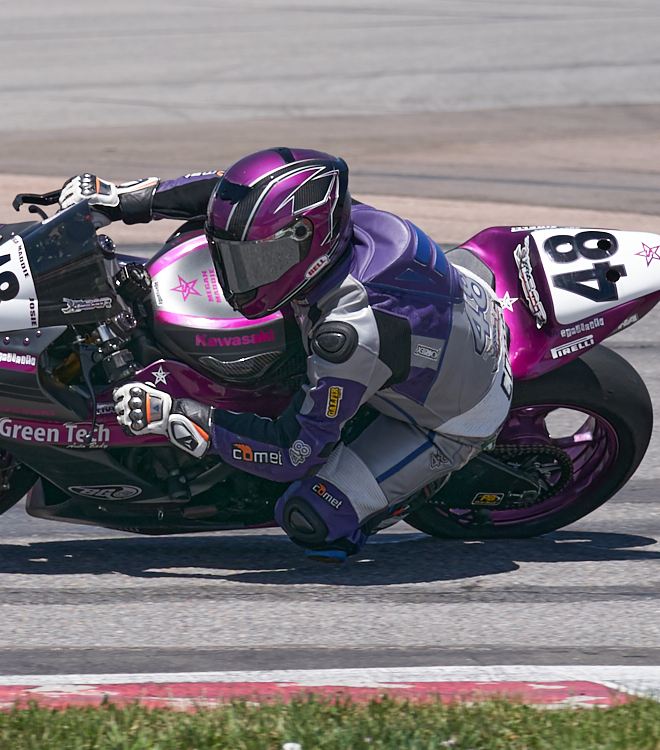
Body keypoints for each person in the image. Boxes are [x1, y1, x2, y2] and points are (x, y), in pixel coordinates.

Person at [58, 149, 512, 562]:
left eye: (254, 262)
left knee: (310, 517)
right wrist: (121, 199)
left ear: (303, 243)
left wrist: (182, 415)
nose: (237, 277)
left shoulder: (347, 334)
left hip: (455, 412)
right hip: (450, 313)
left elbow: (294, 452)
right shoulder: (332, 219)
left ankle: (406, 492)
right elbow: (224, 193)